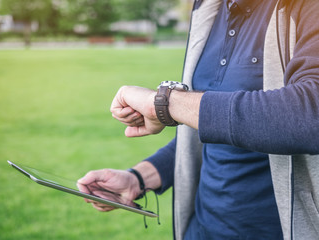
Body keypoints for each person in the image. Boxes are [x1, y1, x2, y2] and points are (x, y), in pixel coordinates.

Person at [77, 0, 319, 239]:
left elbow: (310, 114)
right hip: (202, 230)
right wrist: (138, 179)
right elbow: (212, 131)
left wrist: (162, 103)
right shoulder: (209, 7)